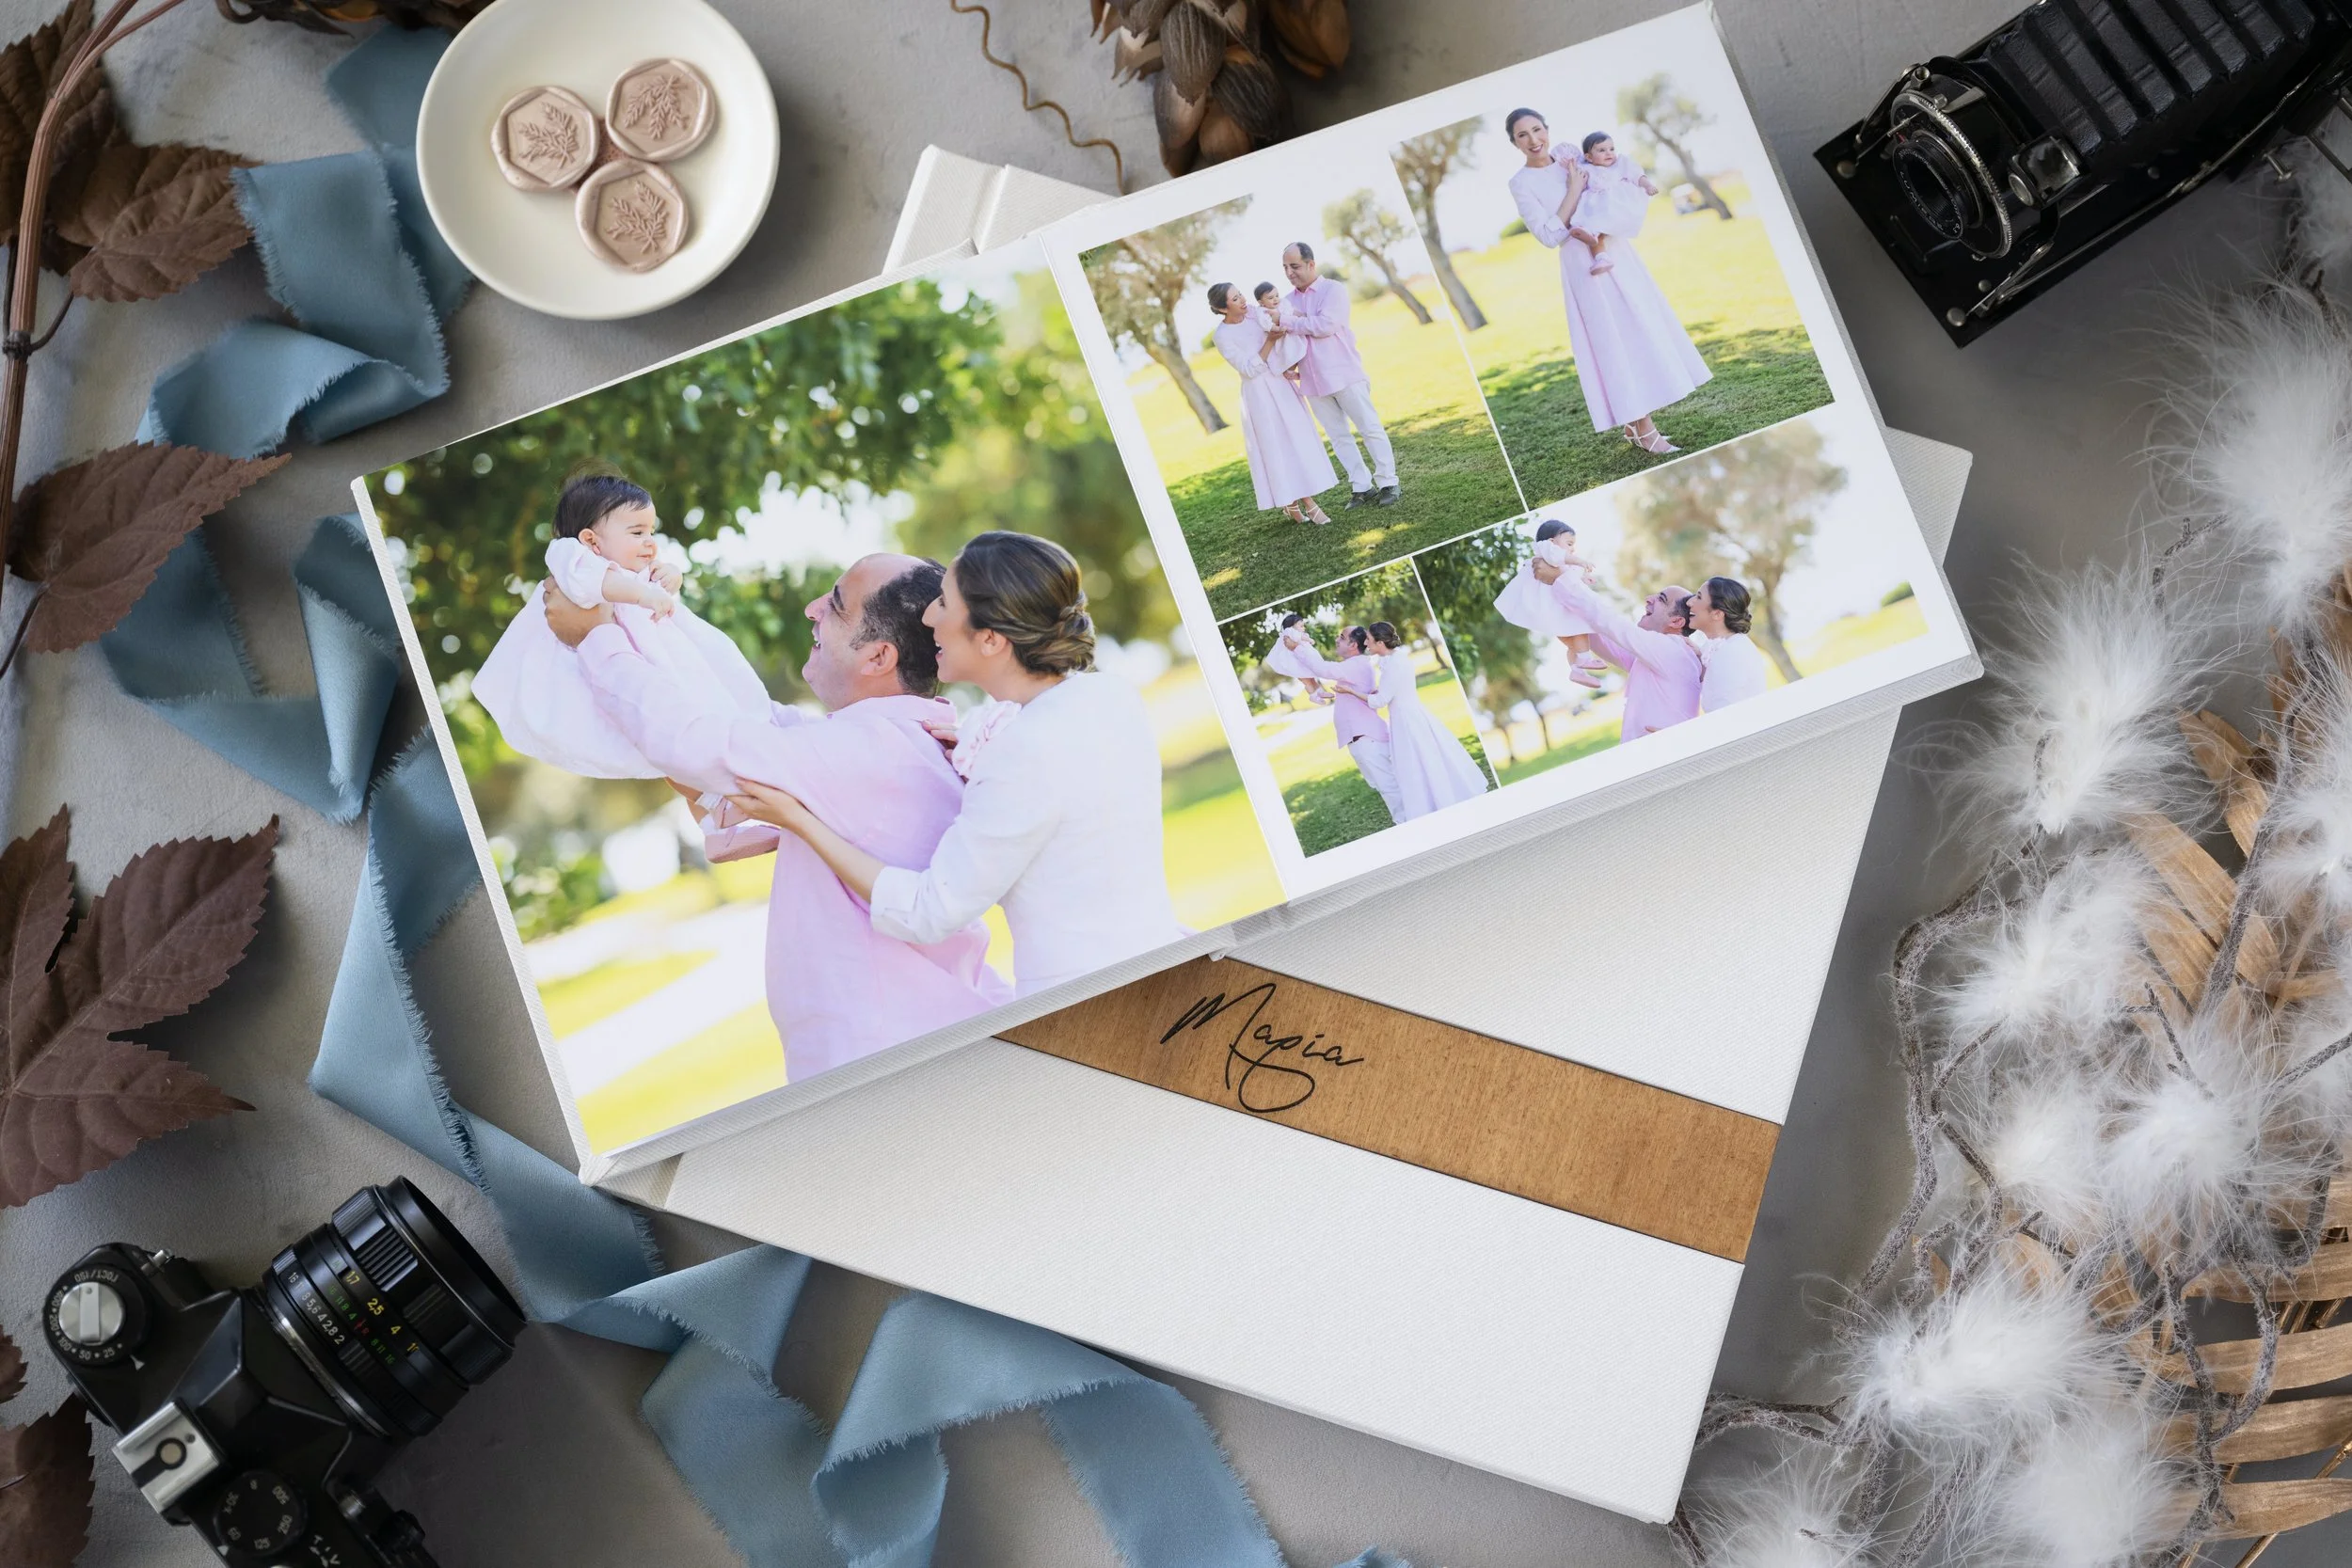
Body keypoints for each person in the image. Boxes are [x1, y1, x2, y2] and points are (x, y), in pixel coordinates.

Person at [545, 551, 1011, 1081]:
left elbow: (700, 741)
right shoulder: (881, 740)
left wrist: (595, 641)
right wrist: (651, 619)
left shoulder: (866, 749)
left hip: (889, 1063)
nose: (813, 609)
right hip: (904, 1046)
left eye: (836, 606)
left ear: (879, 657)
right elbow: (750, 722)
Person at [724, 531, 1186, 999]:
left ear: (988, 639)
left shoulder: (1020, 752)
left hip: (1088, 1002)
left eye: (943, 603)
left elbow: (926, 912)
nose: (927, 617)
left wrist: (800, 821)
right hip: (1166, 958)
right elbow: (1074, 819)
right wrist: (982, 765)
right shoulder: (1108, 697)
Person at [473, 469, 773, 779]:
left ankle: (735, 735)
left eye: (652, 533)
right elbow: (602, 583)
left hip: (652, 656)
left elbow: (649, 585)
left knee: (707, 685)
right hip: (599, 663)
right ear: (591, 540)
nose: (650, 543)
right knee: (636, 722)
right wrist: (644, 594)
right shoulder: (570, 557)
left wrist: (671, 574)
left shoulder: (632, 572)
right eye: (637, 533)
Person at [1504, 108, 1708, 456]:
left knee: (1639, 329)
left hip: (1617, 252)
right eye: (1522, 135)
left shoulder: (1575, 158)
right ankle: (1645, 429)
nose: (1533, 140)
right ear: (1514, 142)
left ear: (1547, 129)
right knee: (1612, 342)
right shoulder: (1521, 183)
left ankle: (1634, 423)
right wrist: (1572, 191)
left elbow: (1615, 180)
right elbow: (1549, 235)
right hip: (1582, 267)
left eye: (1537, 130)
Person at [1279, 241, 1400, 508]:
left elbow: (1326, 325)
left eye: (1295, 266)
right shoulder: (1286, 302)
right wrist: (1290, 364)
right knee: (1338, 437)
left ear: (1311, 264)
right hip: (1311, 382)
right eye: (1285, 267)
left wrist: (1288, 323)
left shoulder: (1333, 290)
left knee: (1369, 428)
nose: (1289, 273)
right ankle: (1362, 487)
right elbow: (1293, 342)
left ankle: (1388, 482)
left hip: (1344, 374)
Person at [1533, 553, 1702, 740]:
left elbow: (1610, 622)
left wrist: (1561, 577)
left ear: (1677, 621)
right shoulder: (1651, 657)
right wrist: (1558, 579)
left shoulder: (1673, 649)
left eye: (1661, 599)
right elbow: (1598, 635)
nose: (1649, 598)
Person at [1208, 281, 1335, 527]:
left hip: (1280, 382)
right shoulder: (1221, 336)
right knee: (1278, 447)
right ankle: (1309, 504)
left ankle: (1292, 503)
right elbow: (1248, 369)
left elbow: (1281, 317)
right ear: (1223, 308)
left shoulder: (1256, 314)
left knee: (1296, 440)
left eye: (1240, 294)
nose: (1243, 300)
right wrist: (1269, 341)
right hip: (1259, 393)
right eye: (1235, 299)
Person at [1360, 622, 1489, 818]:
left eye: (1368, 639)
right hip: (1409, 714)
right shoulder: (1396, 658)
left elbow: (1379, 701)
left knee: (1418, 761)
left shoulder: (1394, 663)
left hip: (1407, 720)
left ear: (1379, 643)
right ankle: (1430, 801)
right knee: (1423, 759)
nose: (1365, 642)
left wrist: (1352, 692)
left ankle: (1434, 803)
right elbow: (1396, 687)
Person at [1281, 623, 1404, 821]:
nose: (1337, 639)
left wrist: (1298, 647)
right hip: (1362, 740)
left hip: (1367, 739)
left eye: (1342, 637)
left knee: (1389, 786)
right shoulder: (1353, 666)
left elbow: (1323, 668)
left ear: (1353, 645)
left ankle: (1407, 822)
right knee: (1382, 784)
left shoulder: (1356, 665)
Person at [1491, 518, 1608, 689]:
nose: (1572, 549)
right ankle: (1585, 659)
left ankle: (1577, 671)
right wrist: (1580, 561)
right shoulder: (1546, 549)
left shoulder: (1554, 561)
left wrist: (1582, 577)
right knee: (1580, 628)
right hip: (1555, 609)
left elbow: (1566, 575)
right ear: (1552, 541)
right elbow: (1560, 558)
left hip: (1553, 613)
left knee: (1573, 642)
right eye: (1569, 543)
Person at [1567, 132, 1659, 277]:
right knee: (1594, 228)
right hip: (1595, 206)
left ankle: (1592, 236)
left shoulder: (1620, 164)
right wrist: (1570, 165)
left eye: (1611, 149)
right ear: (1589, 157)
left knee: (1599, 226)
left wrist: (1647, 185)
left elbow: (1636, 175)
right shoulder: (1587, 168)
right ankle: (1601, 258)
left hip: (1615, 206)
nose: (1608, 153)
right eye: (1601, 150)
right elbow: (1573, 174)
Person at [1688, 575, 1772, 711]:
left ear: (1717, 614)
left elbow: (1726, 715)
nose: (1689, 602)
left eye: (1698, 597)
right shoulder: (1720, 647)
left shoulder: (1734, 651)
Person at [1263, 610, 1333, 705]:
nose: (1303, 628)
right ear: (1291, 626)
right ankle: (1313, 696)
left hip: (1302, 663)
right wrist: (1309, 639)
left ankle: (1320, 692)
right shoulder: (1289, 631)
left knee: (1311, 678)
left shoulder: (1297, 634)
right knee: (1307, 681)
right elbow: (1298, 636)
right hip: (1296, 665)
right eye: (1301, 625)